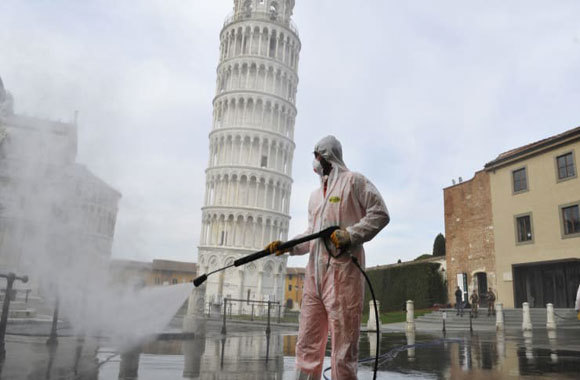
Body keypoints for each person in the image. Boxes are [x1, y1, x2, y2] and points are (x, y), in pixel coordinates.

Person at [266, 135, 390, 380]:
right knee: (307, 343)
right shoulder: (314, 196)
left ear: (327, 156)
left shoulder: (354, 182)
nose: (314, 161)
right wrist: (287, 246)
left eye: (316, 155)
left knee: (343, 348)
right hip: (315, 279)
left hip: (343, 276)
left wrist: (351, 235)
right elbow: (312, 235)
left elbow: (380, 213)